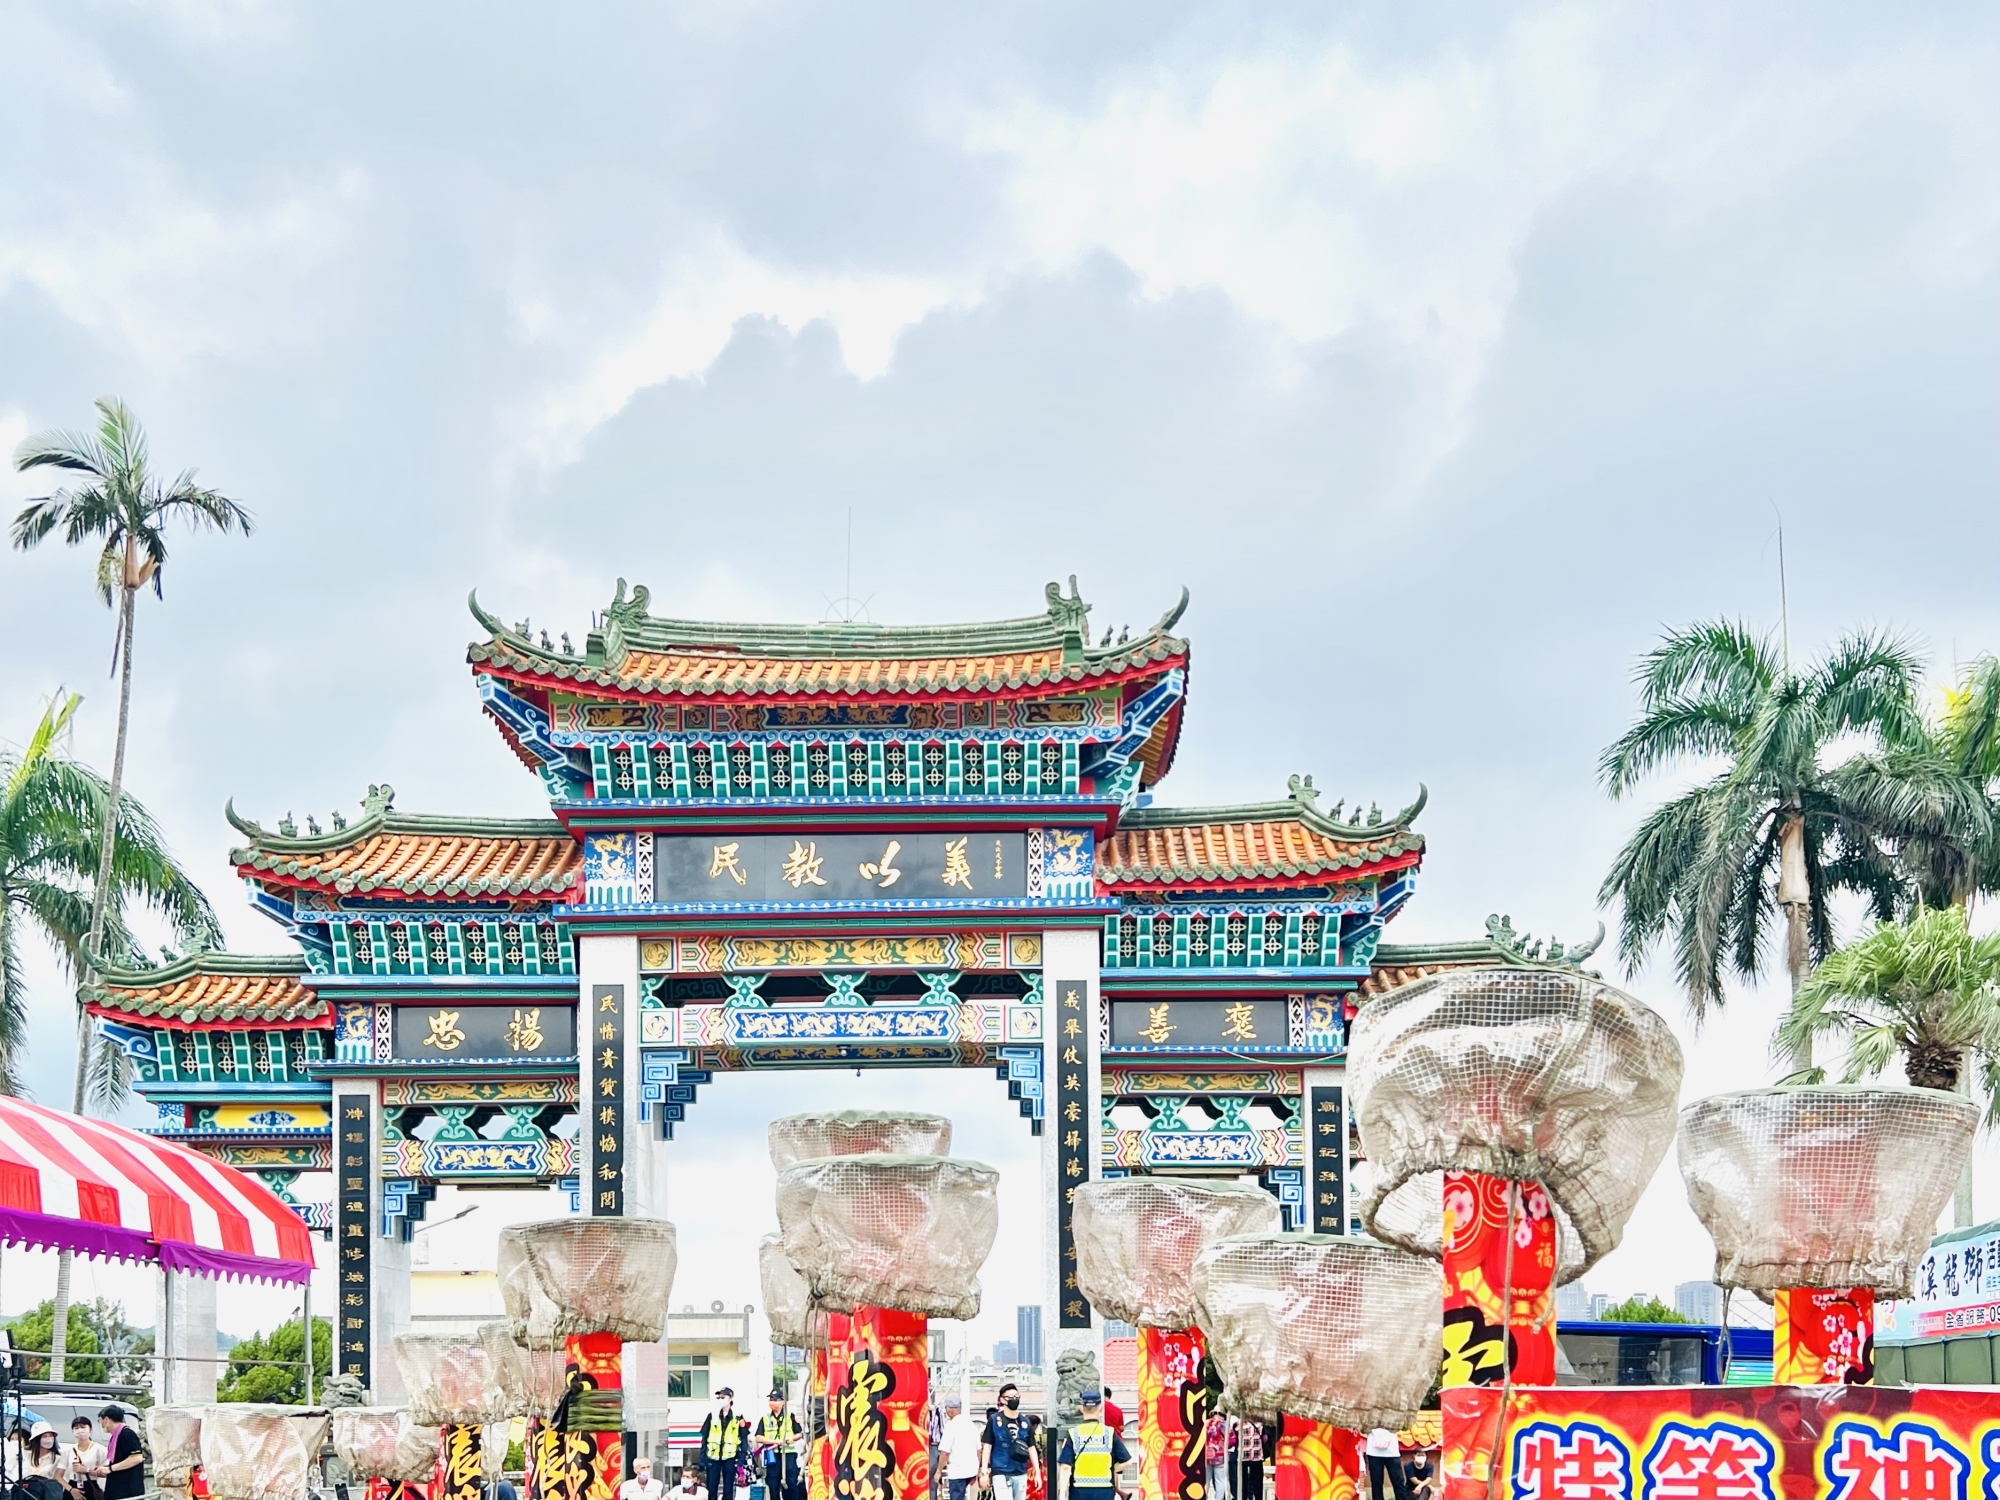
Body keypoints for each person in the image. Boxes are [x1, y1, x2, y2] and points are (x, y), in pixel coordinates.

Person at [1056, 1391, 1129, 1500]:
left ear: (1081, 1408)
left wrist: (1062, 1495)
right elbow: (1127, 1461)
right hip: (1104, 1491)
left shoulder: (1073, 1433)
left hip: (1079, 1492)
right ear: (1101, 1408)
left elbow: (1065, 1467)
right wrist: (1110, 1469)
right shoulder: (1109, 1433)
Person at [980, 1384, 1039, 1500]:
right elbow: (987, 1446)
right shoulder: (994, 1420)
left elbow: (1031, 1448)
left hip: (1020, 1472)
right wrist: (984, 1472)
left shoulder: (1025, 1422)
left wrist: (1037, 1472)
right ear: (1003, 1400)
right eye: (1011, 1397)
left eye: (1017, 1396)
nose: (1014, 1399)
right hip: (1001, 1472)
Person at [698, 1390, 749, 1500]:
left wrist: (741, 1460)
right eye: (719, 1398)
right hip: (713, 1457)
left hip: (730, 1457)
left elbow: (744, 1439)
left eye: (723, 1397)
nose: (721, 1400)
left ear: (730, 1398)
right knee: (711, 1489)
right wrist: (702, 1459)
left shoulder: (738, 1417)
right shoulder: (712, 1415)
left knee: (728, 1489)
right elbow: (704, 1439)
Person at [753, 1391, 802, 1500]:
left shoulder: (790, 1416)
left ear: (782, 1401)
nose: (772, 1402)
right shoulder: (765, 1418)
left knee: (791, 1483)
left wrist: (791, 1438)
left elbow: (799, 1433)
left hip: (788, 1454)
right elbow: (758, 1437)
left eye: (775, 1400)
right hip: (772, 1454)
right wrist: (775, 1442)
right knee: (773, 1483)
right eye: (771, 1400)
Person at [938, 1398, 983, 1500]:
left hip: (957, 1471)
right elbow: (979, 1450)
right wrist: (976, 1471)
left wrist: (938, 1471)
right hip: (971, 1470)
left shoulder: (950, 1426)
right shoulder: (971, 1425)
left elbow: (944, 1452)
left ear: (949, 1410)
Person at [1362, 1429, 1410, 1500]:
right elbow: (1363, 1428)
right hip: (1374, 1453)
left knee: (1398, 1482)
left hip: (1392, 1452)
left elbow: (1402, 1426)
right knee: (1376, 1483)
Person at [65, 1421, 102, 1500]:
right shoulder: (69, 1450)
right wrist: (70, 1489)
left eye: (83, 1427)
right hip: (73, 1485)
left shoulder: (99, 1449)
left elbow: (107, 1472)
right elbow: (58, 1475)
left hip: (91, 1485)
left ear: (90, 1429)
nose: (80, 1430)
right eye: (76, 1428)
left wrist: (87, 1470)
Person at [1203, 1414, 1232, 1500]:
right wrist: (1225, 1447)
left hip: (1206, 1456)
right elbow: (1232, 1439)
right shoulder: (1224, 1424)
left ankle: (1204, 1497)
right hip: (1220, 1457)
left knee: (1205, 1480)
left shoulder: (1205, 1423)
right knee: (1220, 1481)